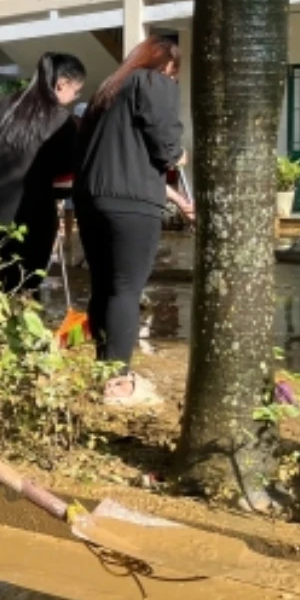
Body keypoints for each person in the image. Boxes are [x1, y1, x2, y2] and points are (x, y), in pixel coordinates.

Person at [75, 36, 187, 408]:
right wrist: (178, 154)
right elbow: (165, 142)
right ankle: (119, 383)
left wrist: (175, 197)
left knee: (104, 285)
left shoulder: (107, 91)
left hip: (91, 198)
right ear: (167, 65)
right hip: (132, 203)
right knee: (126, 289)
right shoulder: (154, 83)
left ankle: (103, 370)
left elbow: (119, 151)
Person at [0, 53, 86, 295]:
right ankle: (23, 330)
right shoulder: (60, 120)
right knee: (26, 287)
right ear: (61, 84)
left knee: (1, 283)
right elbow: (65, 180)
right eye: (76, 92)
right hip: (30, 215)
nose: (74, 99)